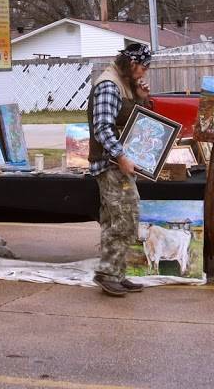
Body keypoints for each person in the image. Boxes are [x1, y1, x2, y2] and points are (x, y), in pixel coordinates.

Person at [87, 42, 152, 296]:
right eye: (143, 67)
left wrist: (141, 98)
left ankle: (117, 272)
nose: (144, 73)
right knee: (124, 216)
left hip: (118, 164)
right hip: (110, 165)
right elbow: (102, 128)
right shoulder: (108, 85)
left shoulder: (123, 83)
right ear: (131, 63)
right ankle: (107, 274)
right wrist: (121, 155)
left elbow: (134, 122)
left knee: (119, 217)